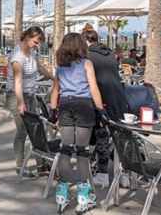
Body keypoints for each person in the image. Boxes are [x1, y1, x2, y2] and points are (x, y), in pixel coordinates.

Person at [50, 33, 105, 213]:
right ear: (81, 45)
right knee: (82, 152)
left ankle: (62, 195)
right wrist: (101, 110)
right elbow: (93, 87)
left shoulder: (61, 67)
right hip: (83, 105)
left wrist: (53, 110)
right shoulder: (86, 64)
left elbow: (55, 91)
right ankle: (83, 197)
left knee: (65, 150)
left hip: (65, 105)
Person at [81, 28, 130, 189]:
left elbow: (89, 82)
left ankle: (102, 175)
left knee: (101, 138)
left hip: (103, 101)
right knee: (118, 140)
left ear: (86, 41)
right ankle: (124, 175)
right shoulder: (109, 54)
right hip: (120, 100)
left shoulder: (88, 56)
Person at [6, 26, 54, 177]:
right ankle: (20, 166)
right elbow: (17, 82)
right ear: (27, 37)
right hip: (16, 95)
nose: (37, 45)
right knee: (23, 131)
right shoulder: (17, 57)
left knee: (36, 129)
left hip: (30, 94)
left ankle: (42, 165)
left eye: (39, 42)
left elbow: (39, 67)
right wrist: (21, 103)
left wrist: (54, 78)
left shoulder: (31, 52)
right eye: (35, 41)